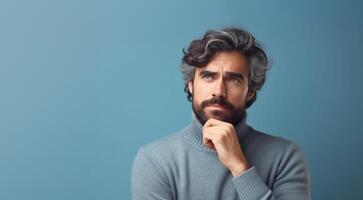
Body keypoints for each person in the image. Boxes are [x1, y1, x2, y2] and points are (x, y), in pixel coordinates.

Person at [131, 27, 311, 200]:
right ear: (191, 85)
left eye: (233, 79)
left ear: (250, 91)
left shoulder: (284, 156)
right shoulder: (155, 160)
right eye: (208, 76)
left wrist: (239, 166)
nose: (219, 91)